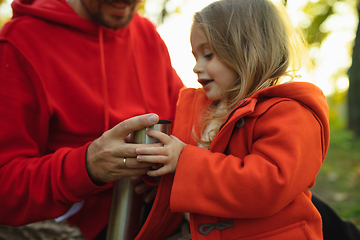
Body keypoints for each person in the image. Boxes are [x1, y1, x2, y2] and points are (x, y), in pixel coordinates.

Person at [133, 0, 331, 239]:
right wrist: (162, 176)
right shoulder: (205, 113)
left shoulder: (290, 113)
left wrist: (183, 161)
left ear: (247, 49)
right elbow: (193, 172)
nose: (196, 67)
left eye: (208, 55)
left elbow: (268, 187)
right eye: (195, 56)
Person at [0, 0, 184, 238]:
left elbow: (187, 121)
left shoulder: (147, 34)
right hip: (68, 227)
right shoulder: (19, 42)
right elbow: (5, 186)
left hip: (156, 219)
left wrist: (169, 174)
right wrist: (87, 166)